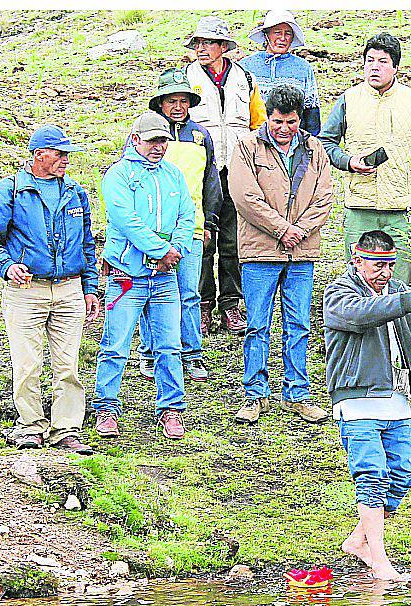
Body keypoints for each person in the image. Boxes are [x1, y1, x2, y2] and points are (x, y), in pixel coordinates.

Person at [322, 230, 411, 580]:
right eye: (376, 264)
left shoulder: (398, 291)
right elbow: (363, 315)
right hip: (357, 399)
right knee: (371, 476)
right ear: (357, 259)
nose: (384, 272)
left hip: (398, 398)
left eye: (389, 264)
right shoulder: (338, 292)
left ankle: (358, 540)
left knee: (401, 475)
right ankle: (380, 562)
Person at [0, 125, 100, 455]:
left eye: (66, 155)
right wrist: (6, 266)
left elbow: (86, 244)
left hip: (70, 288)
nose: (65, 160)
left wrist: (90, 288)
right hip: (27, 289)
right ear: (38, 154)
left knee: (68, 364)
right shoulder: (11, 191)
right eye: (59, 154)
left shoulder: (75, 192)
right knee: (27, 363)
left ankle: (67, 427)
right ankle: (30, 424)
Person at [228, 83, 335, 425]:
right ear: (267, 118)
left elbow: (324, 197)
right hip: (260, 252)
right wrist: (281, 229)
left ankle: (297, 393)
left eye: (291, 122)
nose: (284, 129)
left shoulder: (315, 148)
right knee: (257, 324)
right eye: (277, 122)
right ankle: (254, 394)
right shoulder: (246, 147)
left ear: (299, 119)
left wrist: (299, 230)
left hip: (302, 253)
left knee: (299, 324)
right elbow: (244, 197)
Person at [94, 112, 196, 440]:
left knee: (169, 344)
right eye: (152, 141)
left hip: (164, 277)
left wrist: (176, 249)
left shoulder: (174, 176)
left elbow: (186, 213)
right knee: (115, 343)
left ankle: (171, 409)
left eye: (163, 140)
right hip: (126, 276)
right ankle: (106, 407)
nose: (158, 147)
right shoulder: (118, 176)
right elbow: (126, 221)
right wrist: (159, 250)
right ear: (135, 140)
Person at [320, 32, 411, 286]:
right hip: (359, 208)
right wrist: (348, 161)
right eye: (370, 60)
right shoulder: (348, 99)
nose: (375, 66)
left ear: (395, 67)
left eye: (383, 61)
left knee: (400, 282)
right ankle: (360, 327)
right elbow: (325, 142)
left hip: (402, 209)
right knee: (359, 279)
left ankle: (398, 327)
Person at [185, 15, 268, 335]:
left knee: (233, 241)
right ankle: (203, 305)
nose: (202, 49)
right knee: (202, 238)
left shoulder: (245, 78)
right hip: (199, 169)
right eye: (198, 43)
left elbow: (258, 124)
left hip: (237, 167)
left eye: (208, 43)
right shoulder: (184, 77)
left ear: (223, 47)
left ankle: (231, 305)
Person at [136, 68, 220, 383]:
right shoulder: (142, 134)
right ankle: (150, 353)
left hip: (192, 228)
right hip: (152, 232)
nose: (177, 107)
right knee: (150, 292)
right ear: (160, 103)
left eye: (183, 100)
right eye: (171, 100)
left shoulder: (201, 136)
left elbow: (211, 183)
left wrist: (209, 221)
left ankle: (192, 355)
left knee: (189, 293)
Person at [242, 10, 321, 135]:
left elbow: (311, 114)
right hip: (255, 139)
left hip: (292, 140)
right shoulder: (245, 66)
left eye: (288, 33)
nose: (283, 38)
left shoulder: (304, 68)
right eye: (277, 32)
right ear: (266, 35)